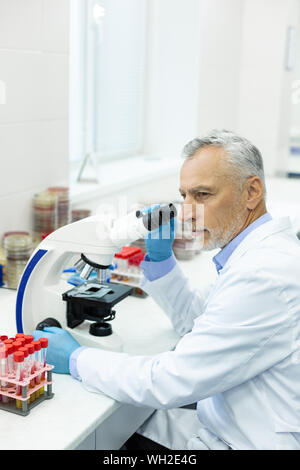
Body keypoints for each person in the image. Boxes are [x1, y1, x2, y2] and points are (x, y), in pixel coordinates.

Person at [33, 130, 300, 450]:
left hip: (244, 441)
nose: (187, 211)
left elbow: (169, 380)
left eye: (202, 195)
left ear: (251, 191)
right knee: (122, 427)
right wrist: (160, 260)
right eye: (184, 196)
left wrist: (76, 358)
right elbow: (194, 321)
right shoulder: (253, 254)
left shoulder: (262, 274)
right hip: (230, 421)